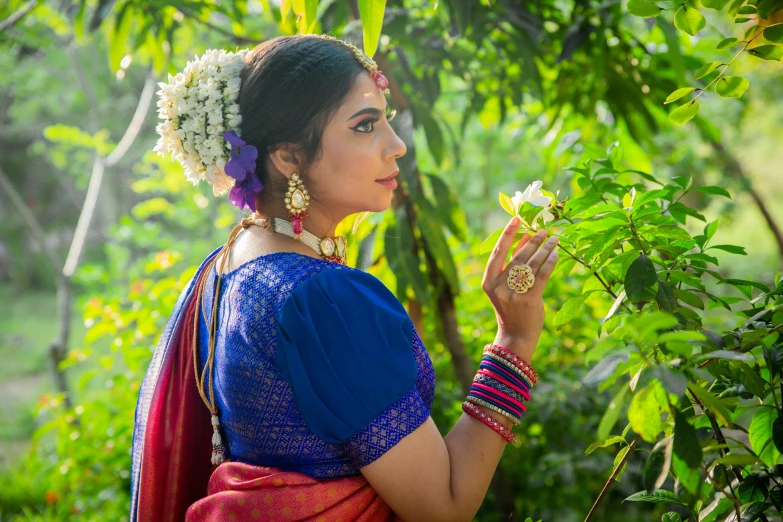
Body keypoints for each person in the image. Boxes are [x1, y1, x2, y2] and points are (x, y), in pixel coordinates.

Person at [130, 33, 559, 522]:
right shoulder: (321, 299)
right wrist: (515, 338)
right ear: (288, 156)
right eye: (364, 126)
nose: (396, 147)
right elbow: (444, 505)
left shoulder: (229, 262)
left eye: (386, 122)